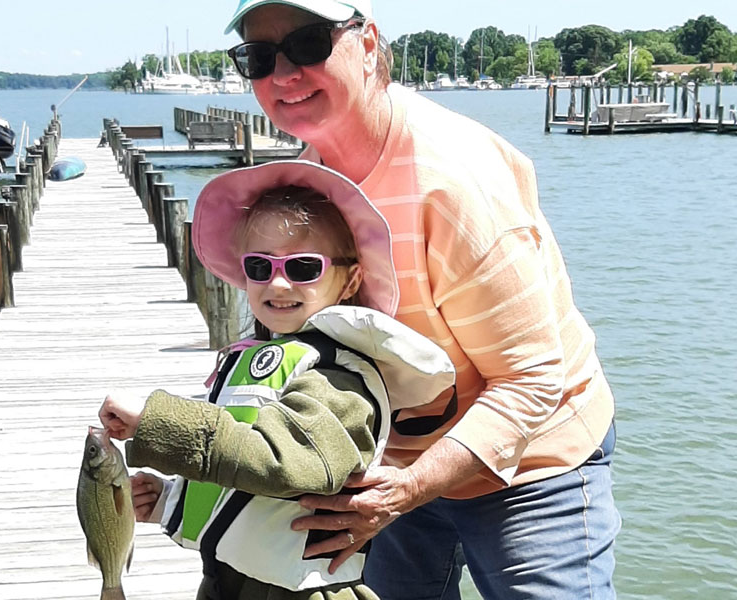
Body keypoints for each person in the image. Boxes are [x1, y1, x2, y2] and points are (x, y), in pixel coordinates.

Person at [223, 1, 621, 599]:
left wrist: (406, 490)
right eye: (259, 56)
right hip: (392, 462)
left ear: (367, 43)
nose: (283, 74)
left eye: (308, 44)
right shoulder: (310, 179)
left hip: (533, 462)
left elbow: (534, 380)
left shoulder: (453, 181)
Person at [98, 160, 456, 600]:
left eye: (304, 268)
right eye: (260, 267)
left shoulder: (340, 377)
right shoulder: (260, 359)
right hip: (229, 581)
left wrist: (157, 425)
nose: (279, 283)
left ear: (351, 281)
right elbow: (246, 484)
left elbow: (282, 461)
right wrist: (172, 499)